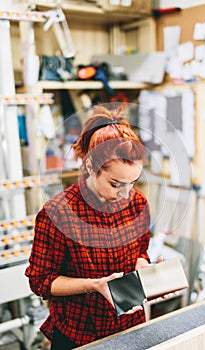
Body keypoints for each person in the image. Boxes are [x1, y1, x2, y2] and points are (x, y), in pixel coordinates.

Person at [25, 103, 156, 349]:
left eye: (133, 182)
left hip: (132, 326)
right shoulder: (58, 214)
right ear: (90, 167)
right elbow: (40, 281)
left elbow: (141, 251)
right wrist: (93, 285)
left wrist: (145, 268)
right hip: (79, 334)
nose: (127, 194)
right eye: (116, 184)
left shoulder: (138, 204)